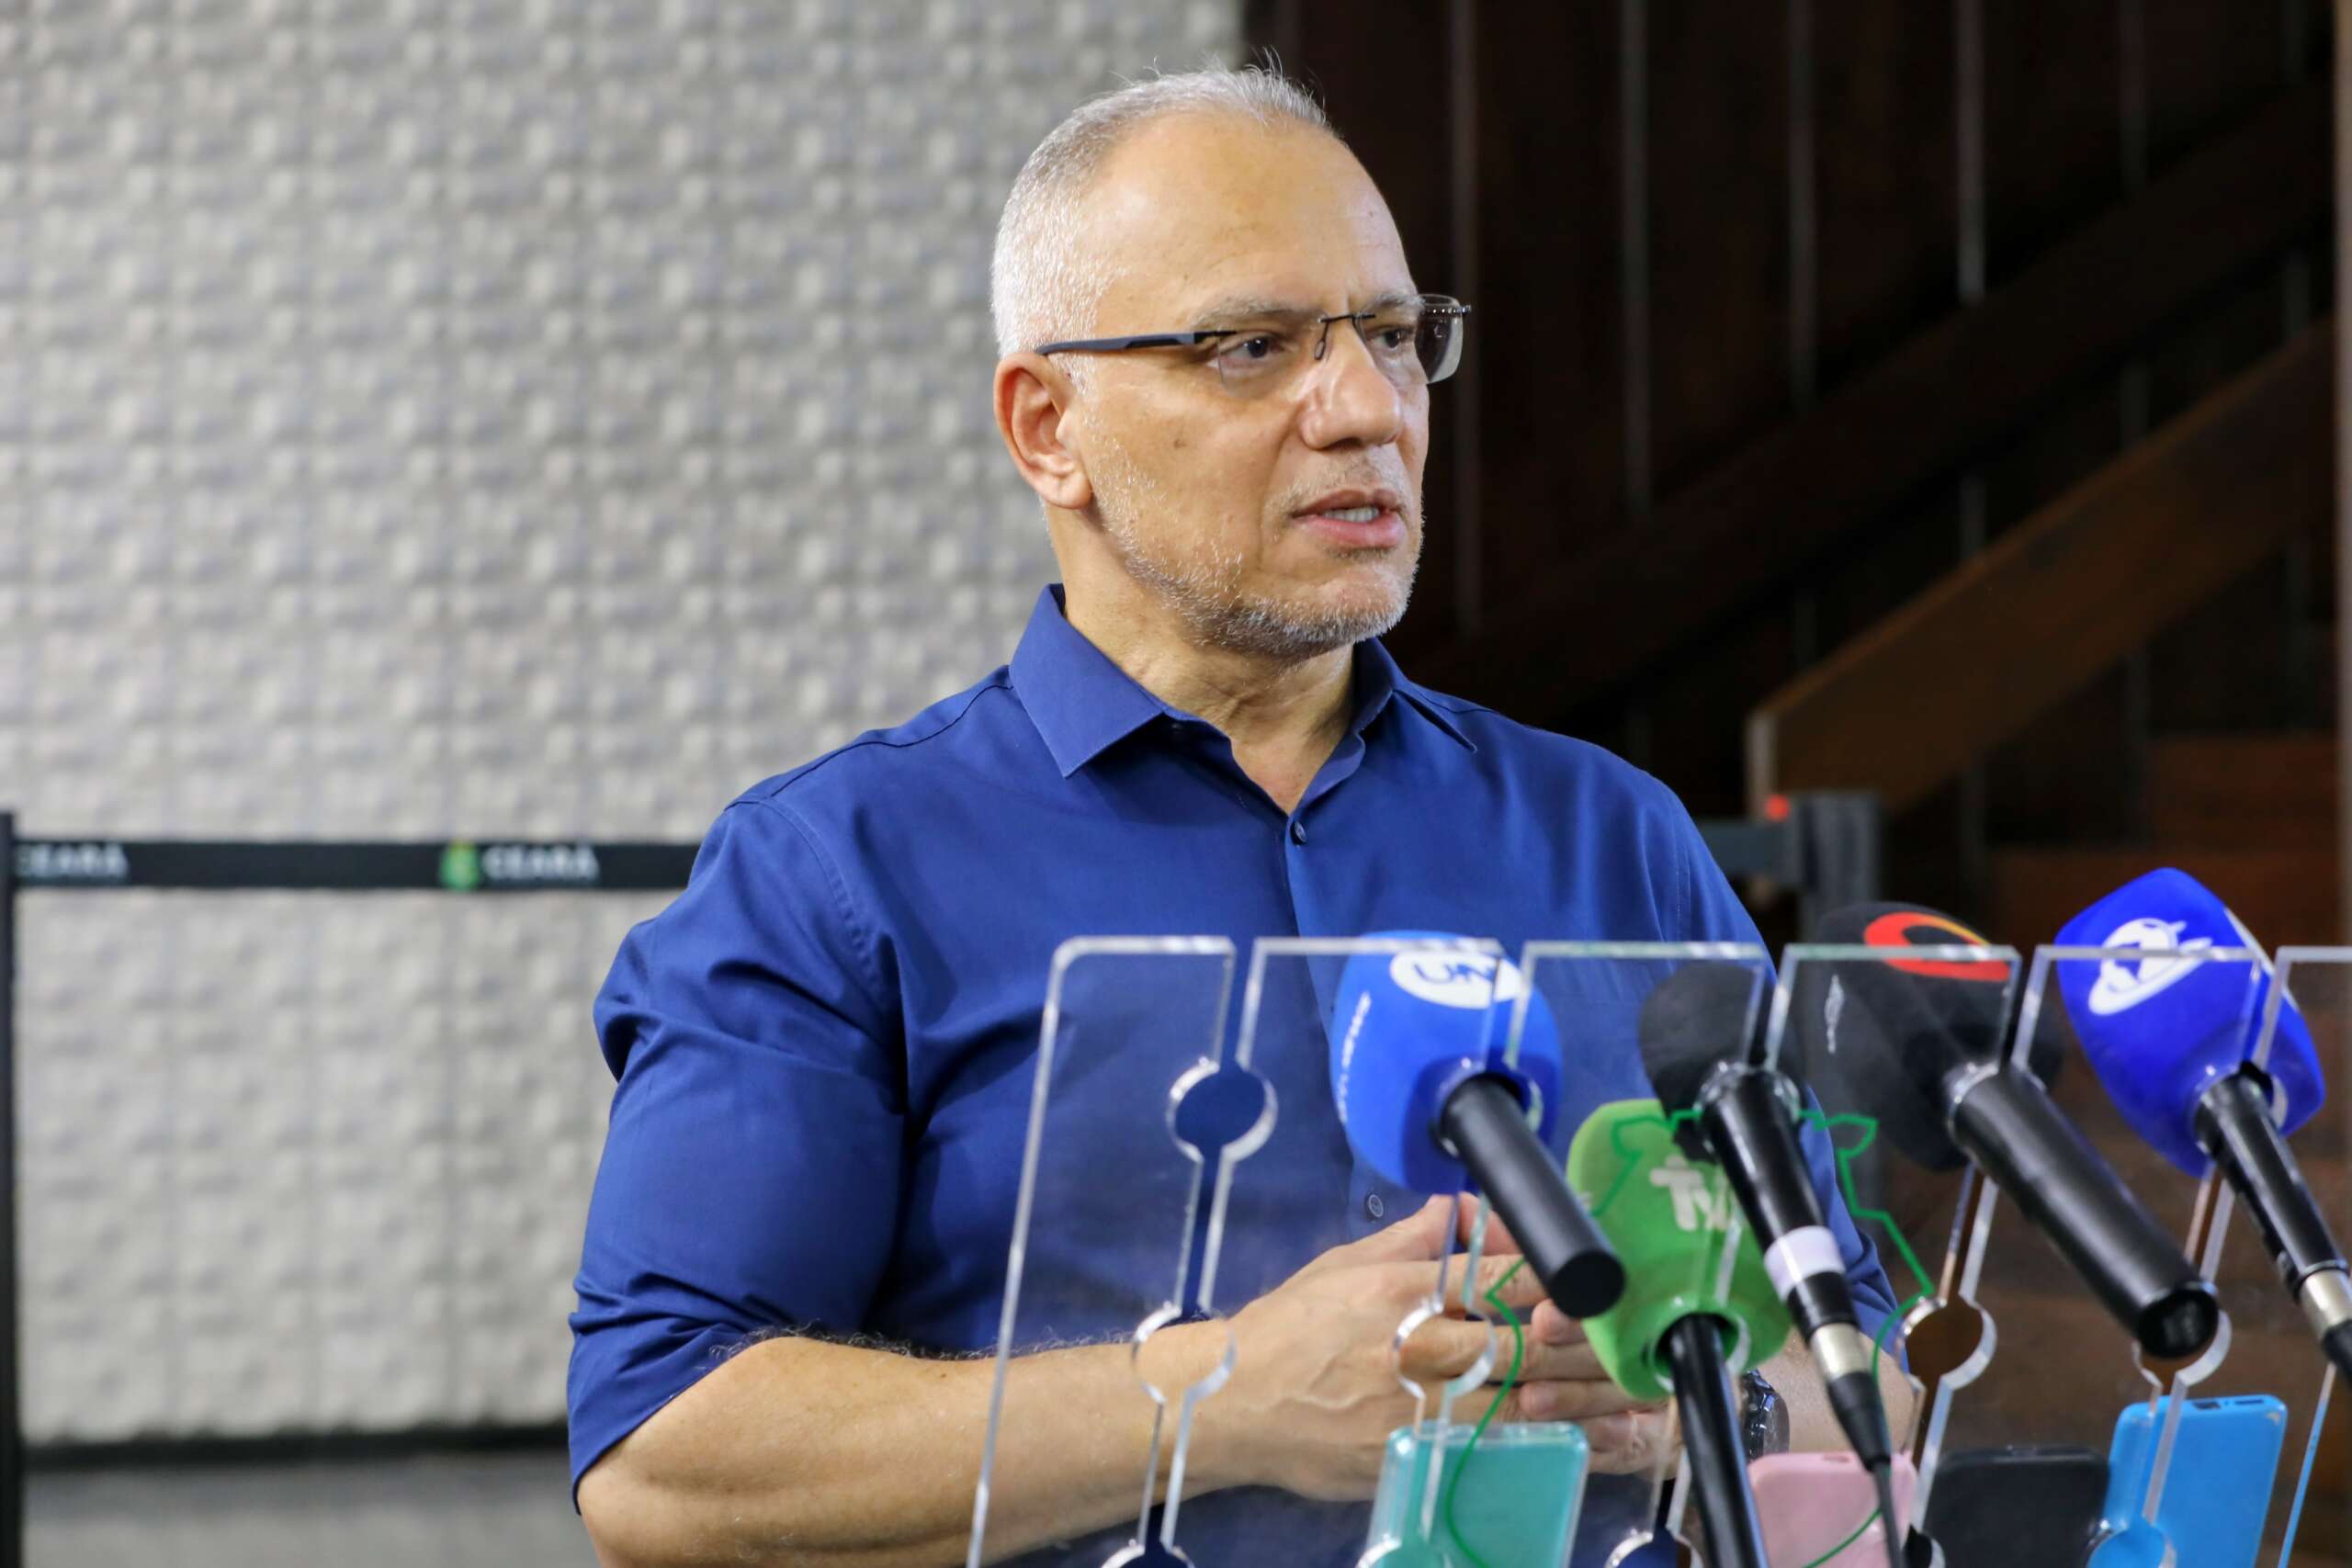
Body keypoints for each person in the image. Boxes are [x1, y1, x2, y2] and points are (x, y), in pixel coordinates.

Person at [569, 66, 1912, 1568]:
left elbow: (1866, 1357)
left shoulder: (1615, 837)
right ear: (1048, 427)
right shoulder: (836, 873)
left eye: (1393, 336)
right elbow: (662, 1464)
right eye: (1252, 347)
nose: (1367, 411)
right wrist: (1216, 1400)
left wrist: (1692, 1406)